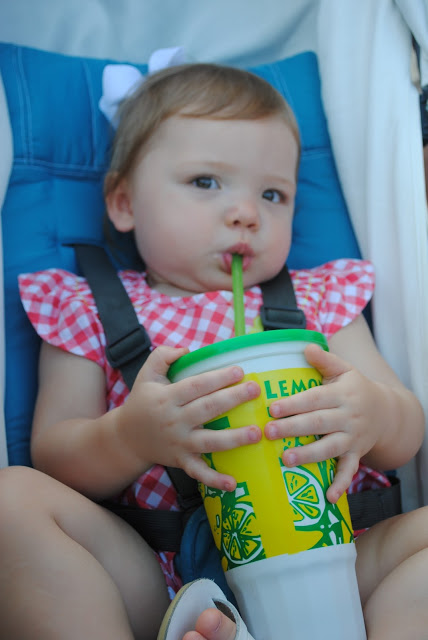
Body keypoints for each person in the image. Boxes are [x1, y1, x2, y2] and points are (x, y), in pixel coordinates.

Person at [0, 61, 426, 640]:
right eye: (205, 182)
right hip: (160, 571)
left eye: (273, 194)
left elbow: (406, 431)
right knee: (13, 500)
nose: (247, 213)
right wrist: (130, 437)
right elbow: (53, 455)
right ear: (124, 202)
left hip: (337, 557)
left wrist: (373, 414)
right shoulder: (86, 307)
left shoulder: (321, 299)